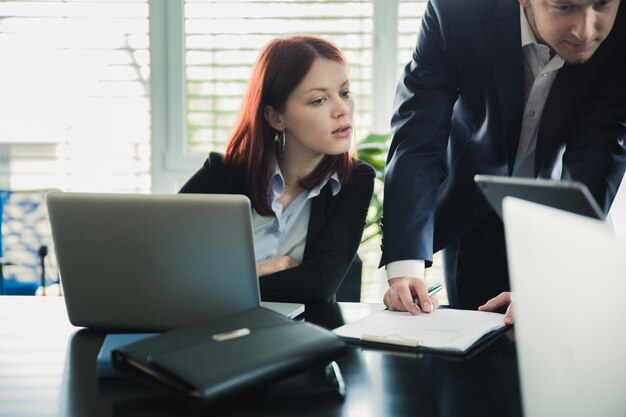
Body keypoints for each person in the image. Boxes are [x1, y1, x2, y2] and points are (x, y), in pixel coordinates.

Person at [381, 0, 626, 316]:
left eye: (602, 4)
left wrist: (553, 284)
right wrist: (405, 268)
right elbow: (417, 136)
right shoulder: (456, 10)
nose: (585, 30)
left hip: (559, 207)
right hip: (472, 200)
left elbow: (600, 150)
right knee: (473, 341)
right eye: (565, 7)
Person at [180, 35, 375, 304]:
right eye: (319, 100)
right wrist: (255, 269)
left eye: (344, 93)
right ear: (276, 117)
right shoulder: (222, 173)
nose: (342, 110)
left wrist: (217, 280)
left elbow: (318, 286)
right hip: (211, 325)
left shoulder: (355, 180)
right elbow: (163, 265)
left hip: (298, 335)